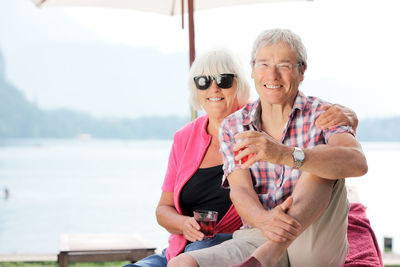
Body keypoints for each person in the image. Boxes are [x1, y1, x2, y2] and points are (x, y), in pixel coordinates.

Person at [125, 49, 359, 267]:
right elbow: (163, 209)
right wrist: (183, 224)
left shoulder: (259, 122)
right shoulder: (184, 138)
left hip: (232, 239)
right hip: (179, 246)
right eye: (203, 82)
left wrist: (349, 117)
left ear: (241, 83)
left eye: (224, 80)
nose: (214, 89)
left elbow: (307, 128)